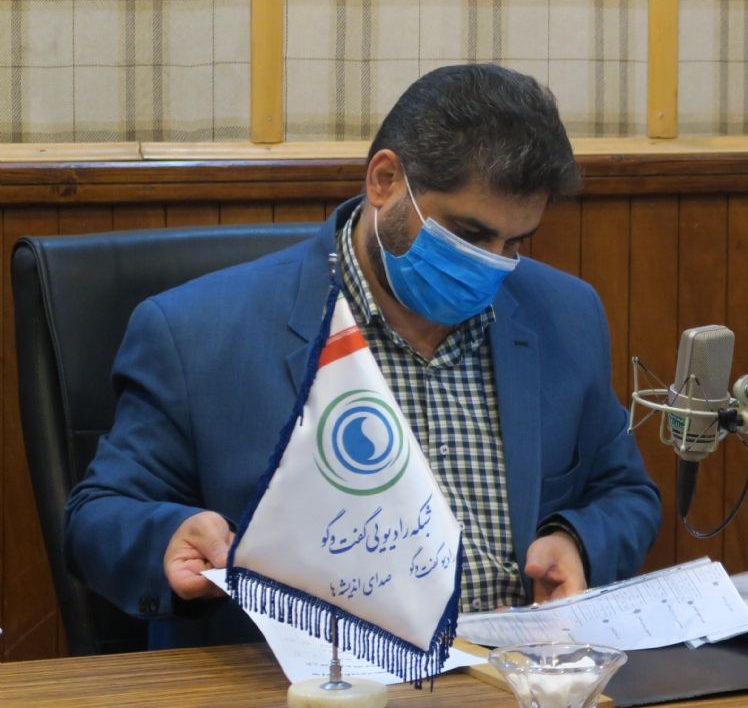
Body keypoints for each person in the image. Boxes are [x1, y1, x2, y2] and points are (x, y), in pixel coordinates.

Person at [65, 63, 661, 649]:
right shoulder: (198, 331)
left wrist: (575, 541)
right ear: (385, 181)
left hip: (515, 673)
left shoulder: (564, 313)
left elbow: (624, 491)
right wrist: (169, 535)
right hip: (306, 680)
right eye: (469, 236)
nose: (491, 265)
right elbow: (98, 515)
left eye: (515, 243)